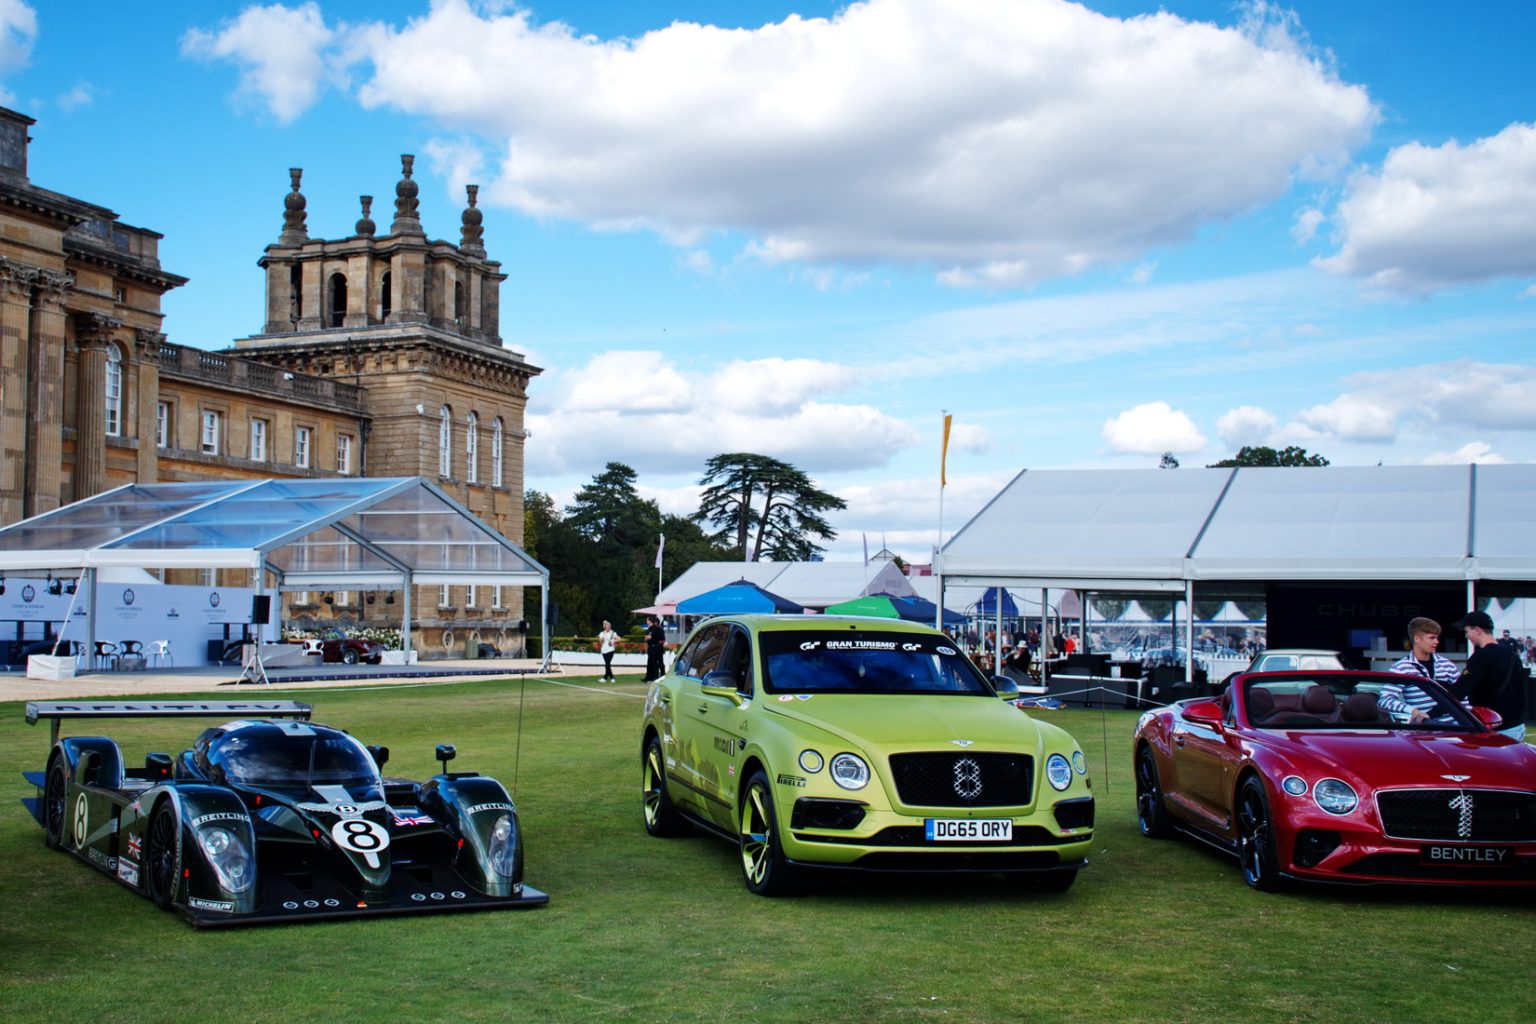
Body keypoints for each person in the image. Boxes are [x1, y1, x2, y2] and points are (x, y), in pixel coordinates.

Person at [1452, 610, 1527, 741]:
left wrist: (1430, 714)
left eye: (1467, 631)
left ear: (1477, 630)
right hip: (1517, 726)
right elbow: (1521, 691)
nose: (1466, 636)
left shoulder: (1481, 657)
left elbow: (1459, 691)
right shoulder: (1513, 655)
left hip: (1495, 728)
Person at [1381, 617, 1459, 723]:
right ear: (1417, 639)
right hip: (1424, 729)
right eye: (1432, 638)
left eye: (1437, 638)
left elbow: (1463, 697)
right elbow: (1385, 701)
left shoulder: (1447, 665)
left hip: (1455, 728)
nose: (1437, 642)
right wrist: (1413, 711)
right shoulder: (1401, 667)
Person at [643, 615, 667, 682]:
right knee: (650, 663)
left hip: (658, 648)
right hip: (652, 648)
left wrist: (650, 638)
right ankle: (649, 677)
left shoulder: (659, 629)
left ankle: (659, 676)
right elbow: (648, 638)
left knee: (658, 663)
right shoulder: (650, 629)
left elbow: (661, 640)